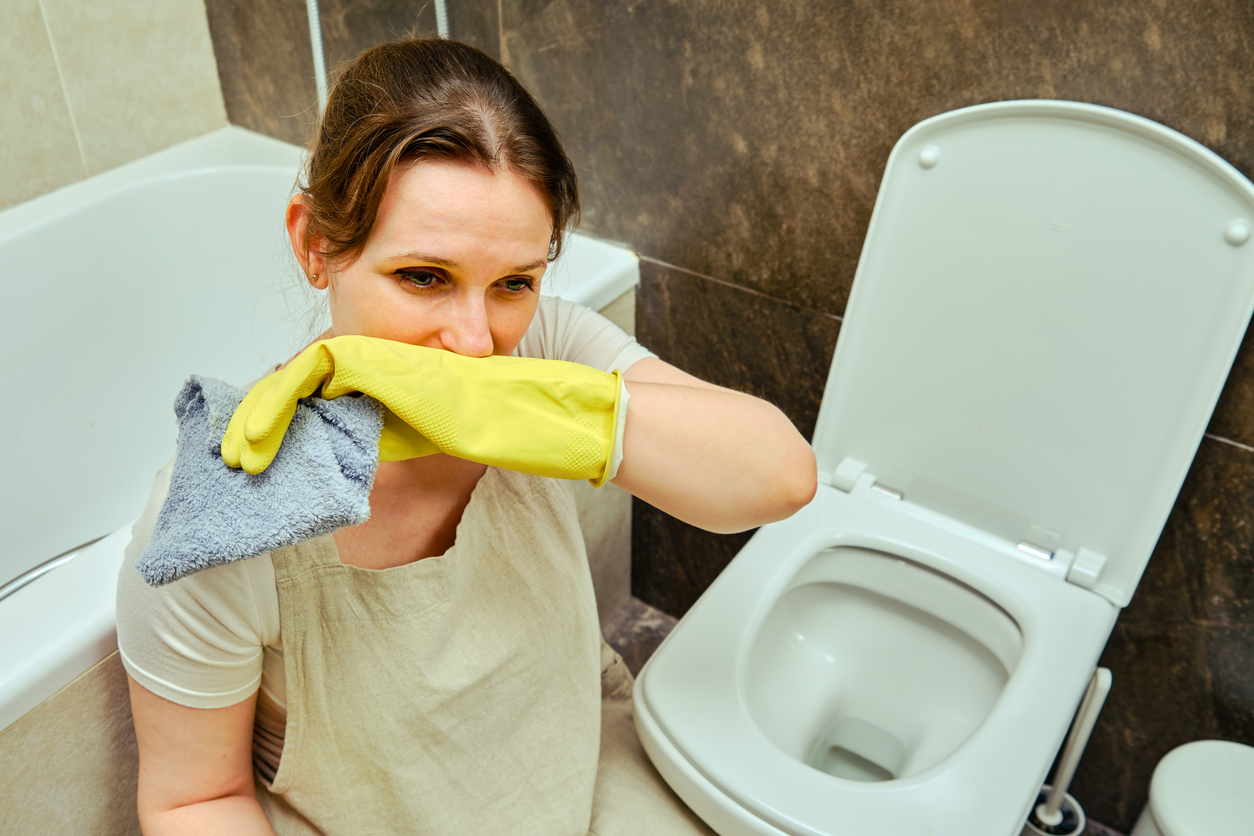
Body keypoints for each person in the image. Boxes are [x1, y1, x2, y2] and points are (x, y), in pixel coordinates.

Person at [117, 38, 816, 835]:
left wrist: (506, 410)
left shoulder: (544, 347)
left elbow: (781, 477)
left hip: (576, 774)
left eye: (514, 282)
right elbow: (194, 799)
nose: (478, 342)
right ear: (317, 245)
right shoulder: (222, 510)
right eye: (424, 277)